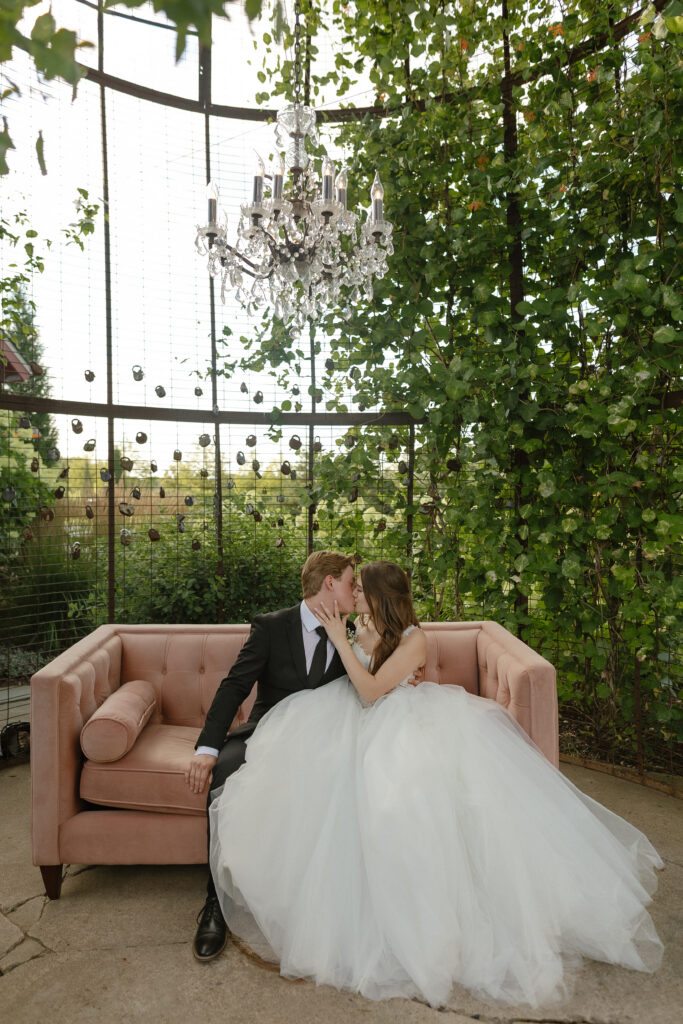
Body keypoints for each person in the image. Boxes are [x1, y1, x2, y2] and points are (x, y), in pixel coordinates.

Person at [207, 560, 663, 1008]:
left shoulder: (411, 638)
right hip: (357, 718)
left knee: (399, 798)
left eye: (362, 590)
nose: (356, 595)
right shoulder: (359, 628)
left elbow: (368, 688)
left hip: (399, 721)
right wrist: (351, 641)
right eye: (353, 587)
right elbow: (350, 676)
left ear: (379, 597)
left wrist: (342, 642)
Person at [187, 550, 357, 962]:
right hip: (267, 731)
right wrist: (207, 748)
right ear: (329, 583)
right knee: (225, 775)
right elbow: (234, 686)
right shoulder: (271, 627)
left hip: (327, 739)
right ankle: (216, 904)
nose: (356, 591)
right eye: (351, 583)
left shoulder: (355, 630)